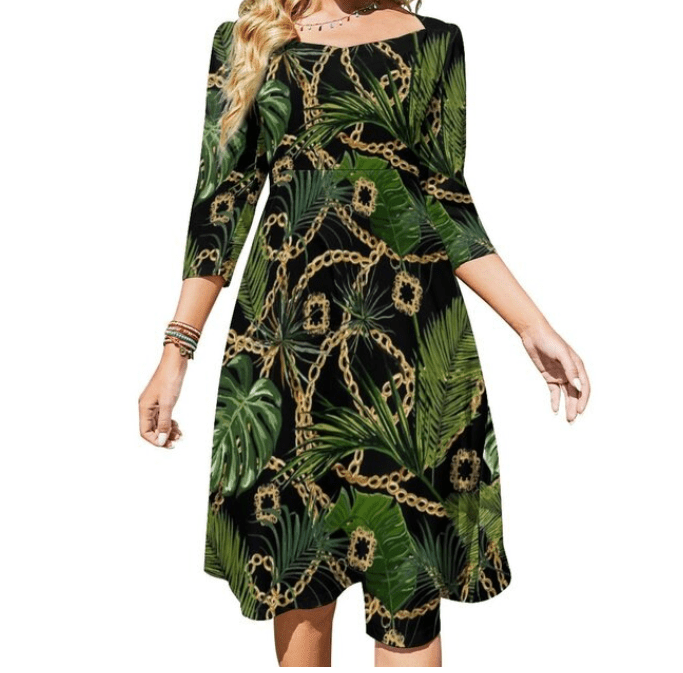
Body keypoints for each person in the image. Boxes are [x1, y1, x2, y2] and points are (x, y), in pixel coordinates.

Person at [139, 0, 591, 666]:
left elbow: (446, 201)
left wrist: (532, 327)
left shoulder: (434, 43)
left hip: (406, 346)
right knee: (299, 577)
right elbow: (221, 203)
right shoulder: (252, 40)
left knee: (410, 591)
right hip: (288, 351)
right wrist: (176, 351)